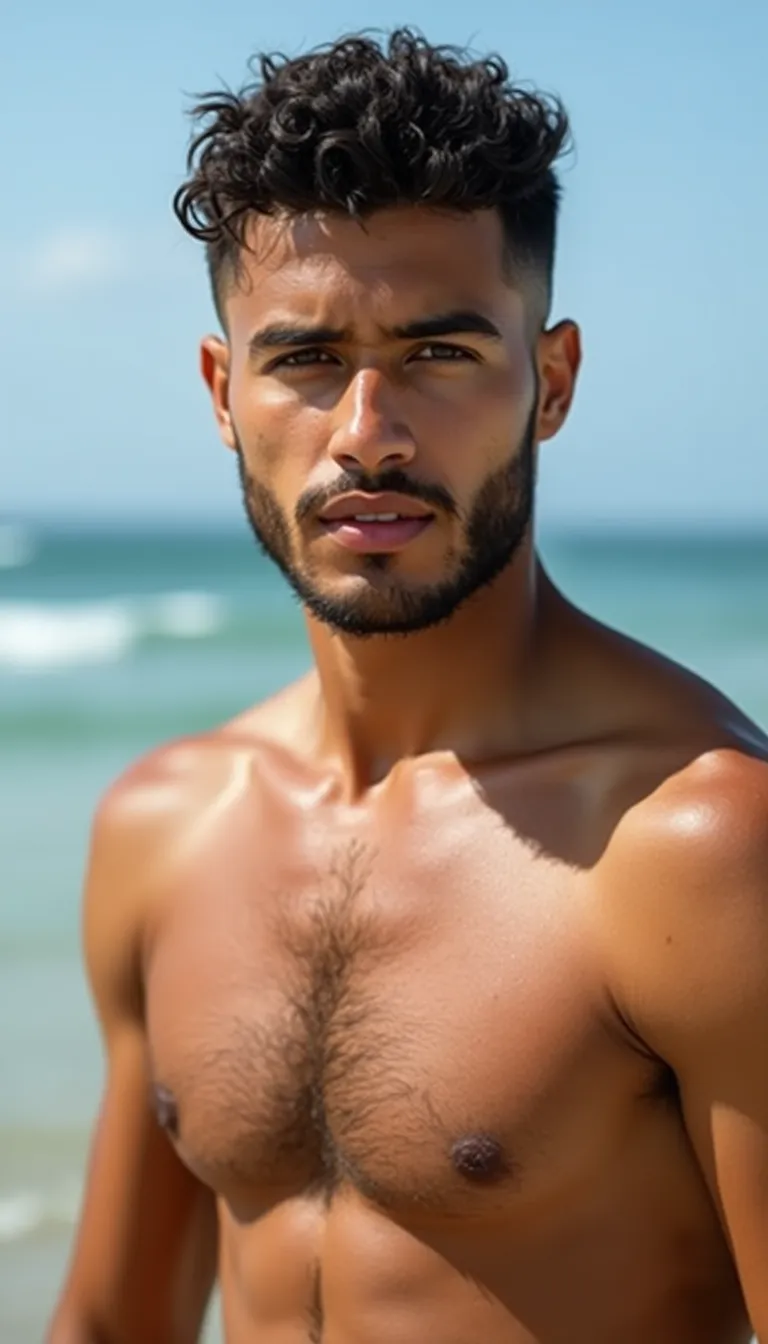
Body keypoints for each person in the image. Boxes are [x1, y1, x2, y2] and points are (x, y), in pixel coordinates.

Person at [47, 28, 768, 1344]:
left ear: (549, 382)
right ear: (224, 391)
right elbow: (109, 1323)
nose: (368, 430)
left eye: (439, 355)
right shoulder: (160, 830)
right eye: (305, 360)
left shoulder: (700, 847)